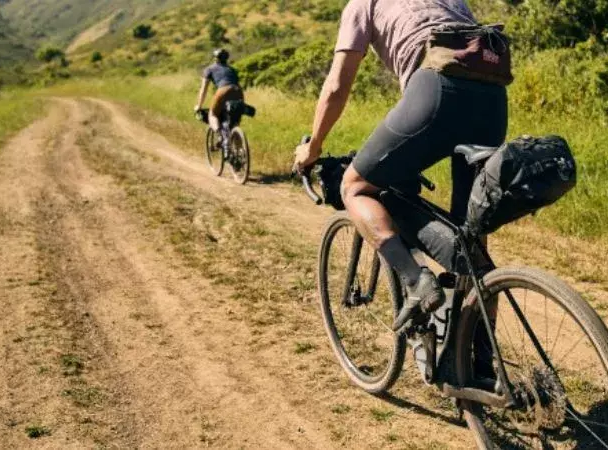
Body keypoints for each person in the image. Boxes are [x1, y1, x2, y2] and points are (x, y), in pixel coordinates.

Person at [293, 0, 508, 330]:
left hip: (435, 91)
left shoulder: (364, 4)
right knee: (473, 237)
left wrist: (313, 147)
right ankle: (477, 357)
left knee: (354, 187)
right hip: (493, 101)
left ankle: (416, 283)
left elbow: (337, 86)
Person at [194, 49, 244, 142]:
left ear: (215, 58)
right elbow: (237, 84)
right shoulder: (232, 69)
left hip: (223, 90)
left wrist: (199, 106)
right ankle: (238, 147)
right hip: (238, 91)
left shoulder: (209, 69)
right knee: (234, 122)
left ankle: (220, 135)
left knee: (212, 114)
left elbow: (203, 90)